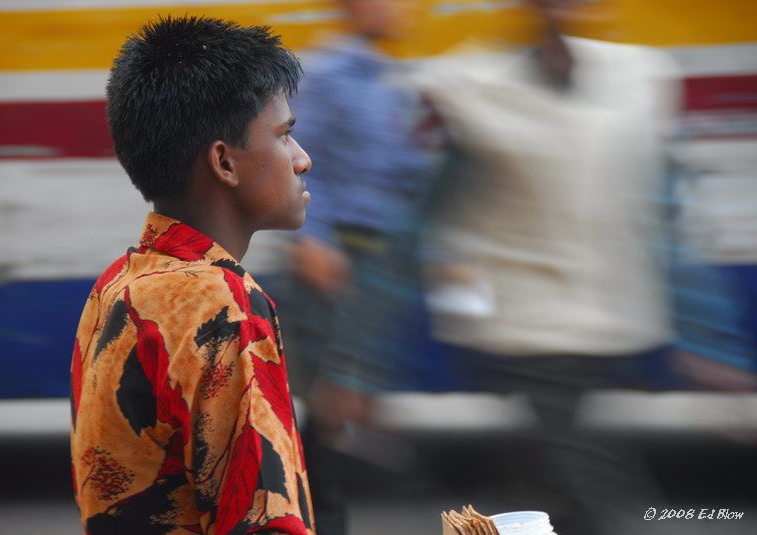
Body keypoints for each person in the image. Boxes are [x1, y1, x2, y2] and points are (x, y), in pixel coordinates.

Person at [414, 1, 678, 533]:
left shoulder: (636, 78)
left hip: (607, 320)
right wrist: (465, 313)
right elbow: (433, 223)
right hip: (523, 326)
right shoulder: (471, 87)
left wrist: (709, 339)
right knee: (587, 479)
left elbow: (661, 209)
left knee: (552, 477)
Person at [69, 16, 315, 534]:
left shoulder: (121, 285)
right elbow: (262, 519)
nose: (302, 160)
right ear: (224, 163)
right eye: (284, 135)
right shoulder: (218, 302)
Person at [276, 1, 433, 532]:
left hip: (375, 259)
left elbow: (401, 171)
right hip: (337, 255)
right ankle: (313, 511)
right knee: (329, 399)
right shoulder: (327, 74)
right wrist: (313, 240)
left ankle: (322, 500)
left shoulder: (386, 78)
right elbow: (300, 156)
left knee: (345, 390)